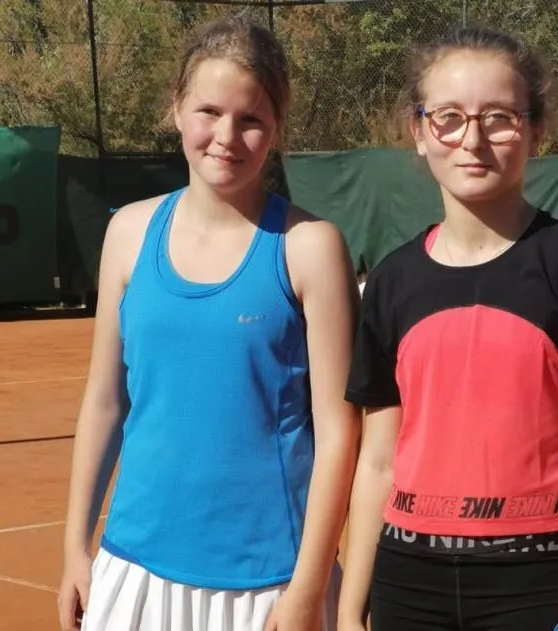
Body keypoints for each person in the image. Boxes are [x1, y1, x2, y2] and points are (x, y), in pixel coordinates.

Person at [338, 26, 558, 631]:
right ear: (418, 131)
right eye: (449, 118)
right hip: (405, 580)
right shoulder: (390, 282)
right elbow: (377, 462)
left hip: (535, 587)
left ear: (536, 130)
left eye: (499, 118)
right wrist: (353, 606)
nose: (473, 140)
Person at [56, 16, 361, 631]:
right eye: (209, 111)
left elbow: (338, 433)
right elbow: (105, 401)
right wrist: (74, 547)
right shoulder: (128, 233)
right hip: (132, 565)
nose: (227, 135)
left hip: (269, 581)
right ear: (176, 109)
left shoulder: (310, 247)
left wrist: (306, 589)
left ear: (274, 130)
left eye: (251, 119)